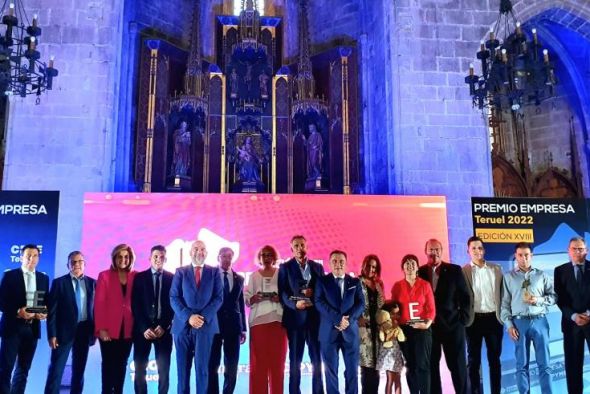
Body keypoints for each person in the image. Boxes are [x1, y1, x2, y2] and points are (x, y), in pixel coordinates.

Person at [500, 242, 555, 394]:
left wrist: (538, 299)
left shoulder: (542, 275)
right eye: (520, 255)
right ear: (515, 256)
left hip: (540, 321)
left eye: (526, 255)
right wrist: (509, 325)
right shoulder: (508, 277)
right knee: (521, 365)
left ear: (532, 256)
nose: (523, 258)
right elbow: (504, 305)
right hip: (519, 323)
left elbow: (553, 298)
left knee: (545, 364)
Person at [170, 240, 223, 394]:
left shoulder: (214, 273)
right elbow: (174, 297)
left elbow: (218, 298)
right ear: (190, 252)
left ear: (206, 253)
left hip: (205, 327)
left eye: (202, 249)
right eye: (196, 248)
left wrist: (202, 317)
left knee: (203, 371)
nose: (199, 251)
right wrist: (189, 317)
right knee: (183, 372)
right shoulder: (180, 272)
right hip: (182, 327)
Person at [418, 238, 470, 394]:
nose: (434, 252)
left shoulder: (454, 270)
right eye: (431, 249)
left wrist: (463, 320)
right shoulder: (419, 272)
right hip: (429, 329)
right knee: (431, 368)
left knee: (458, 367)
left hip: (453, 327)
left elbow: (465, 296)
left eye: (437, 249)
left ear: (442, 251)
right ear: (425, 251)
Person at [278, 235, 325, 394]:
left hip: (314, 321)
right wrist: (294, 304)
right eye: (296, 246)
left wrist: (315, 292)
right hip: (295, 320)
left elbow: (323, 291)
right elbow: (283, 293)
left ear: (307, 247)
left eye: (302, 245)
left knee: (317, 360)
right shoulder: (285, 267)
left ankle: (318, 391)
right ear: (292, 249)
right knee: (295, 362)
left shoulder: (317, 267)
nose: (300, 248)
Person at [44, 251, 96, 394]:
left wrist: (94, 333)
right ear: (68, 265)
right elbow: (52, 312)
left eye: (80, 261)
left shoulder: (92, 283)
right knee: (56, 371)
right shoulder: (59, 283)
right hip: (62, 333)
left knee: (79, 372)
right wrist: (52, 335)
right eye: (73, 262)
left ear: (84, 264)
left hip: (84, 332)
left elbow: (95, 310)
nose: (77, 264)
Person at [0, 244, 49, 394]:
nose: (31, 258)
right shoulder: (10, 275)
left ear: (38, 259)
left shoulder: (43, 278)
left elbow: (45, 302)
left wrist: (44, 313)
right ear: (21, 257)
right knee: (5, 369)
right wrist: (17, 311)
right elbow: (1, 301)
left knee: (23, 370)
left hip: (32, 329)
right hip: (12, 328)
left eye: (35, 255)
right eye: (28, 255)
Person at [314, 250, 364, 394]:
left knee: (352, 372)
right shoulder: (322, 281)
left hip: (350, 333)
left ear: (346, 263)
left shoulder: (355, 282)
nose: (338, 264)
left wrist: (348, 319)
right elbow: (318, 302)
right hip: (328, 333)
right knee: (330, 372)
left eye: (341, 261)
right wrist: (338, 318)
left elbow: (361, 303)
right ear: (329, 263)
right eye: (334, 261)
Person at [462, 236, 503, 394]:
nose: (477, 251)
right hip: (473, 321)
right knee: (473, 361)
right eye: (474, 248)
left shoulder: (496, 269)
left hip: (493, 319)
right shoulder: (463, 271)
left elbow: (503, 294)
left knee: (494, 361)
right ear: (468, 251)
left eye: (480, 248)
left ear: (484, 250)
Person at [131, 245, 174, 394]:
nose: (158, 259)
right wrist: (144, 327)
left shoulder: (172, 278)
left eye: (162, 257)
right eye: (156, 256)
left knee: (164, 371)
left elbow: (173, 305)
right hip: (143, 332)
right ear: (150, 258)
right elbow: (135, 304)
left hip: (164, 332)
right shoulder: (139, 278)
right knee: (140, 370)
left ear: (166, 259)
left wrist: (164, 325)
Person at [94, 243, 137, 394]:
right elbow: (99, 304)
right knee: (108, 365)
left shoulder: (136, 276)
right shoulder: (104, 275)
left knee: (122, 364)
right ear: (114, 258)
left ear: (130, 258)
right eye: (120, 256)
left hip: (128, 330)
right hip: (108, 329)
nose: (123, 259)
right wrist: (102, 329)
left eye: (126, 257)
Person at [245, 245, 287, 394]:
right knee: (258, 365)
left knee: (277, 364)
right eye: (264, 255)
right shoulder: (253, 276)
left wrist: (280, 298)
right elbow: (246, 298)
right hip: (258, 323)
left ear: (274, 257)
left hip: (278, 322)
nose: (267, 257)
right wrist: (253, 298)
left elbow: (288, 295)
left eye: (270, 255)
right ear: (259, 257)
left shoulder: (282, 274)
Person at [391, 254, 435, 394]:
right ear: (402, 268)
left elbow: (431, 308)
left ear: (417, 267)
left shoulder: (425, 285)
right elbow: (394, 309)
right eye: (407, 264)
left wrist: (426, 324)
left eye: (413, 264)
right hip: (405, 331)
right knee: (411, 365)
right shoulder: (397, 286)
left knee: (423, 365)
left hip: (422, 329)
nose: (410, 266)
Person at [208, 247, 247, 394]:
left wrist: (243, 327)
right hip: (213, 325)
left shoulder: (239, 278)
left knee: (231, 366)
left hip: (233, 326)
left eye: (229, 256)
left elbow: (240, 304)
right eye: (223, 256)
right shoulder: (210, 275)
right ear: (218, 257)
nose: (227, 259)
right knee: (212, 364)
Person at [554, 236, 589, 394]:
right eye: (574, 248)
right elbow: (559, 299)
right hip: (571, 324)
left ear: (586, 251)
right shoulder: (560, 271)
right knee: (573, 366)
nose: (577, 251)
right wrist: (574, 316)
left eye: (580, 248)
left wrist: (589, 314)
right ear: (568, 251)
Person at [357, 254, 384, 394]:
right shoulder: (356, 281)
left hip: (377, 330)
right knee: (366, 369)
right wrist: (357, 318)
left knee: (376, 369)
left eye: (374, 267)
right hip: (363, 330)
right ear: (363, 266)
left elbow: (382, 307)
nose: (371, 269)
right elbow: (350, 304)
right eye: (369, 265)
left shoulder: (379, 285)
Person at [375, 302, 404, 394]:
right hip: (388, 355)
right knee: (390, 379)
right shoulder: (383, 326)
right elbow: (384, 339)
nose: (396, 316)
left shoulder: (396, 326)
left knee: (398, 379)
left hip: (396, 354)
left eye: (398, 314)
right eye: (393, 314)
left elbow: (401, 338)